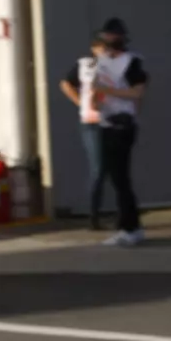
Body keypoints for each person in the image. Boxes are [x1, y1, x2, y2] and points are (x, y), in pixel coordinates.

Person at [60, 18, 150, 245]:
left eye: (109, 41)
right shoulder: (97, 64)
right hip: (106, 123)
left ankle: (128, 229)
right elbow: (86, 91)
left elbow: (137, 93)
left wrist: (107, 91)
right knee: (116, 177)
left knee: (120, 178)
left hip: (121, 125)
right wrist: (92, 101)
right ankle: (131, 226)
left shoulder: (131, 63)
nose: (105, 47)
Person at [59, 34, 110, 229]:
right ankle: (93, 217)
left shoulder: (117, 66)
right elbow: (65, 83)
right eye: (101, 48)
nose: (105, 51)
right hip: (92, 122)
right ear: (94, 48)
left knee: (113, 170)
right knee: (97, 169)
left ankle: (123, 215)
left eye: (108, 48)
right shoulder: (86, 65)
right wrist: (80, 103)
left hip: (112, 122)